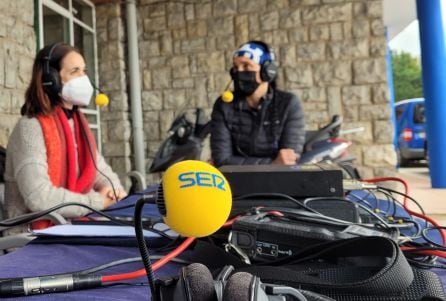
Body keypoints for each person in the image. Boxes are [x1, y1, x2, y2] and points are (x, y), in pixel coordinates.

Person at [3, 42, 127, 222]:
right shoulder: (30, 127)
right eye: (74, 71)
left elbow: (101, 170)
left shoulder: (77, 123)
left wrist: (113, 191)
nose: (83, 78)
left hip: (69, 226)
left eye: (84, 71)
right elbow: (39, 197)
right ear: (51, 80)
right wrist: (96, 201)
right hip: (29, 237)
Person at [210, 41, 305, 167]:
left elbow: (289, 159)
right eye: (235, 67)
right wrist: (272, 164)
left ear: (267, 71)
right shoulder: (224, 105)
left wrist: (237, 162)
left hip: (278, 180)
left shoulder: (288, 104)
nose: (239, 72)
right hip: (236, 180)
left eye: (246, 66)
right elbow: (221, 159)